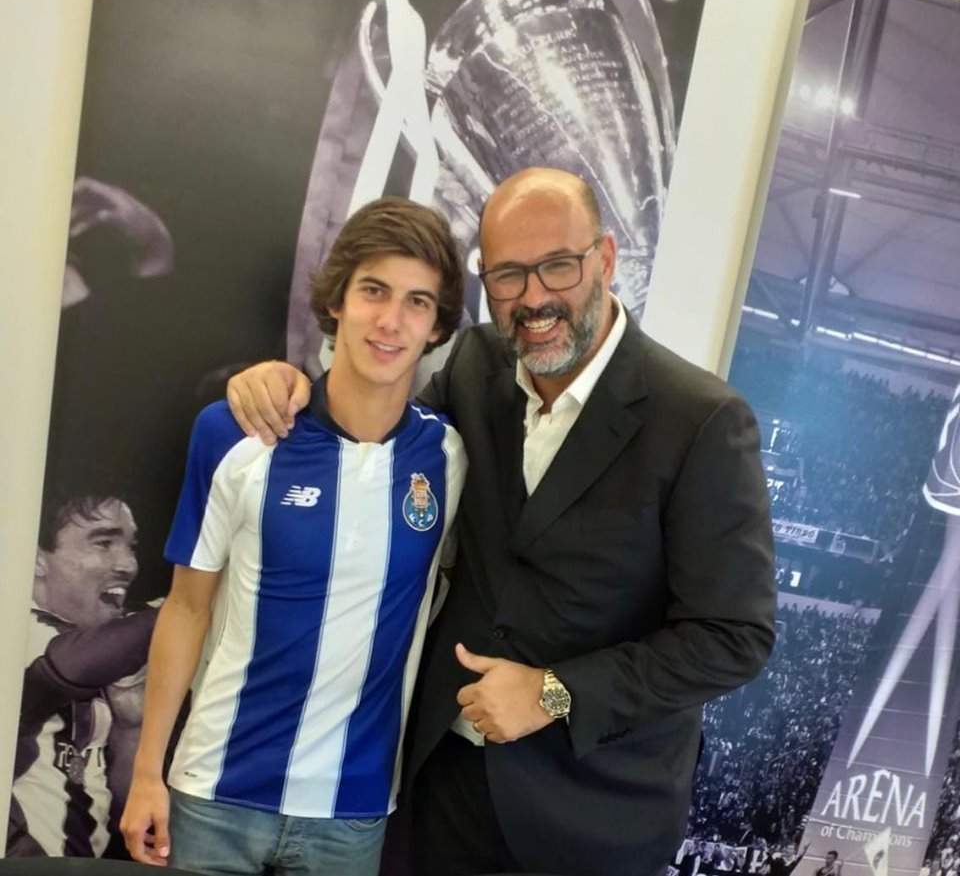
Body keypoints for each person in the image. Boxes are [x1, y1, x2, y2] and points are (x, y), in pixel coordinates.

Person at [226, 167, 776, 876]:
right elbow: (379, 439)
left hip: (588, 813)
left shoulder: (701, 420)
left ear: (606, 259)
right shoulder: (476, 362)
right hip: (433, 780)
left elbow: (734, 636)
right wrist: (291, 387)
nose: (534, 297)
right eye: (508, 275)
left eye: (558, 265)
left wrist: (555, 692)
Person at [120, 197, 467, 876]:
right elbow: (185, 608)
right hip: (215, 796)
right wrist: (146, 772)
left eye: (417, 302)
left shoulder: (449, 458)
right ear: (337, 300)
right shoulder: (237, 434)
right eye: (374, 291)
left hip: (351, 813)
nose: (391, 320)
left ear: (437, 326)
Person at [7, 490, 156, 858]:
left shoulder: (104, 651)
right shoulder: (14, 628)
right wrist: (191, 604)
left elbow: (124, 812)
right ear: (38, 558)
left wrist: (130, 728)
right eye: (103, 543)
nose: (128, 565)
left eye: (131, 547)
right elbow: (63, 665)